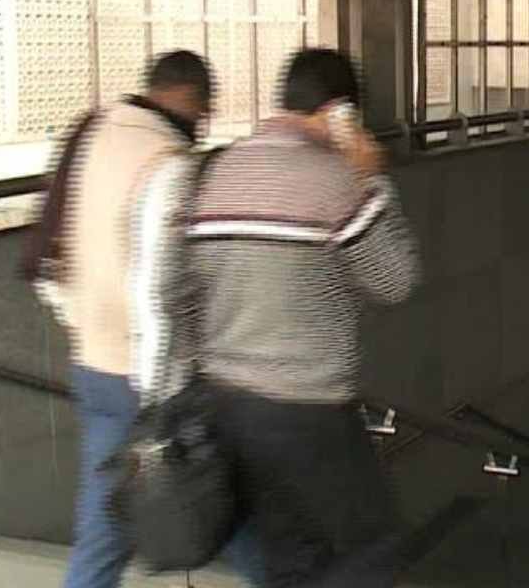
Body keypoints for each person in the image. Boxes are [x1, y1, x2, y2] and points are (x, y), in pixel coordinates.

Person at [148, 48, 421, 588]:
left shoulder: (213, 171)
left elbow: (173, 290)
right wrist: (372, 179)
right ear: (341, 111)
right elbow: (394, 281)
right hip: (306, 406)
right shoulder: (337, 181)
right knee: (375, 546)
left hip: (225, 402)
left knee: (290, 557)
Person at [25, 50, 215, 588]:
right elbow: (160, 288)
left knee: (104, 531)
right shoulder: (169, 160)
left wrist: (83, 324)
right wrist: (159, 392)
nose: (203, 124)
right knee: (226, 504)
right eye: (204, 111)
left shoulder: (90, 133)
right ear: (194, 100)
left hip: (94, 365)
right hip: (151, 381)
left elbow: (46, 250)